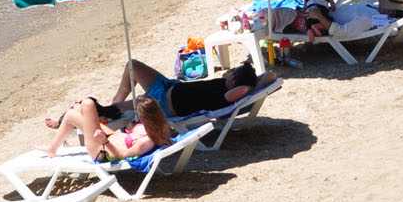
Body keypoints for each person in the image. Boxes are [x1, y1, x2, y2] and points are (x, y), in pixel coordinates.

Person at [98, 55, 275, 120]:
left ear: (235, 80)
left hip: (161, 104)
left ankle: (109, 110)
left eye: (232, 72)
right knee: (132, 65)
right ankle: (115, 102)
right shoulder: (223, 85)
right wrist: (250, 80)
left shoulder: (227, 96)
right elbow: (269, 75)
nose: (228, 72)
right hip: (166, 86)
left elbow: (270, 76)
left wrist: (251, 87)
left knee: (114, 110)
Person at [43, 92, 172, 161]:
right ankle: (51, 148)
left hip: (101, 149)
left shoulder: (145, 142)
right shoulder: (161, 127)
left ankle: (51, 148)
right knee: (77, 110)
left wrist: (104, 141)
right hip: (111, 136)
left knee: (85, 105)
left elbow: (121, 155)